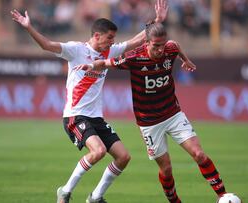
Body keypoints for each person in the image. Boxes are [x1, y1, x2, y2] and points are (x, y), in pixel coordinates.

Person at [11, 1, 168, 203]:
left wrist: (157, 21)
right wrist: (29, 27)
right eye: (109, 38)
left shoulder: (108, 52)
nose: (112, 42)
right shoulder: (75, 50)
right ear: (96, 36)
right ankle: (65, 192)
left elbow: (136, 41)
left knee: (123, 157)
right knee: (99, 151)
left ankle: (96, 197)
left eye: (113, 38)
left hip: (96, 118)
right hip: (75, 116)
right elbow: (46, 45)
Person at [75, 22, 227, 203]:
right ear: (146, 43)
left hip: (173, 114)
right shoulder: (133, 58)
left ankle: (223, 196)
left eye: (163, 45)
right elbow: (106, 63)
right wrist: (91, 66)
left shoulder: (169, 49)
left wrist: (185, 60)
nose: (160, 50)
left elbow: (175, 46)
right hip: (149, 123)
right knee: (167, 169)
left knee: (199, 154)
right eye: (156, 46)